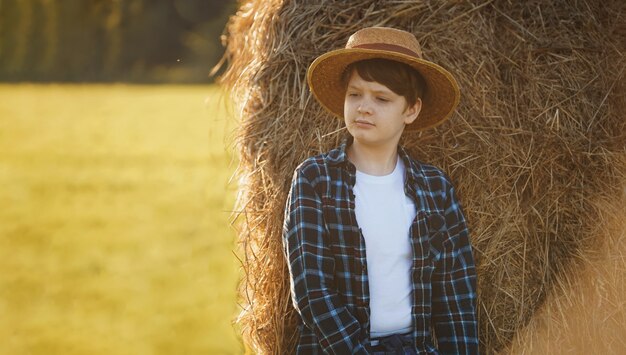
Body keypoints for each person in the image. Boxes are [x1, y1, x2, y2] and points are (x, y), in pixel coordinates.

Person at [282, 26, 478, 354]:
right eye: (355, 94)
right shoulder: (315, 179)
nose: (363, 107)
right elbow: (312, 291)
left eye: (382, 98)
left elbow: (455, 296)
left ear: (411, 110)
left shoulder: (435, 188)